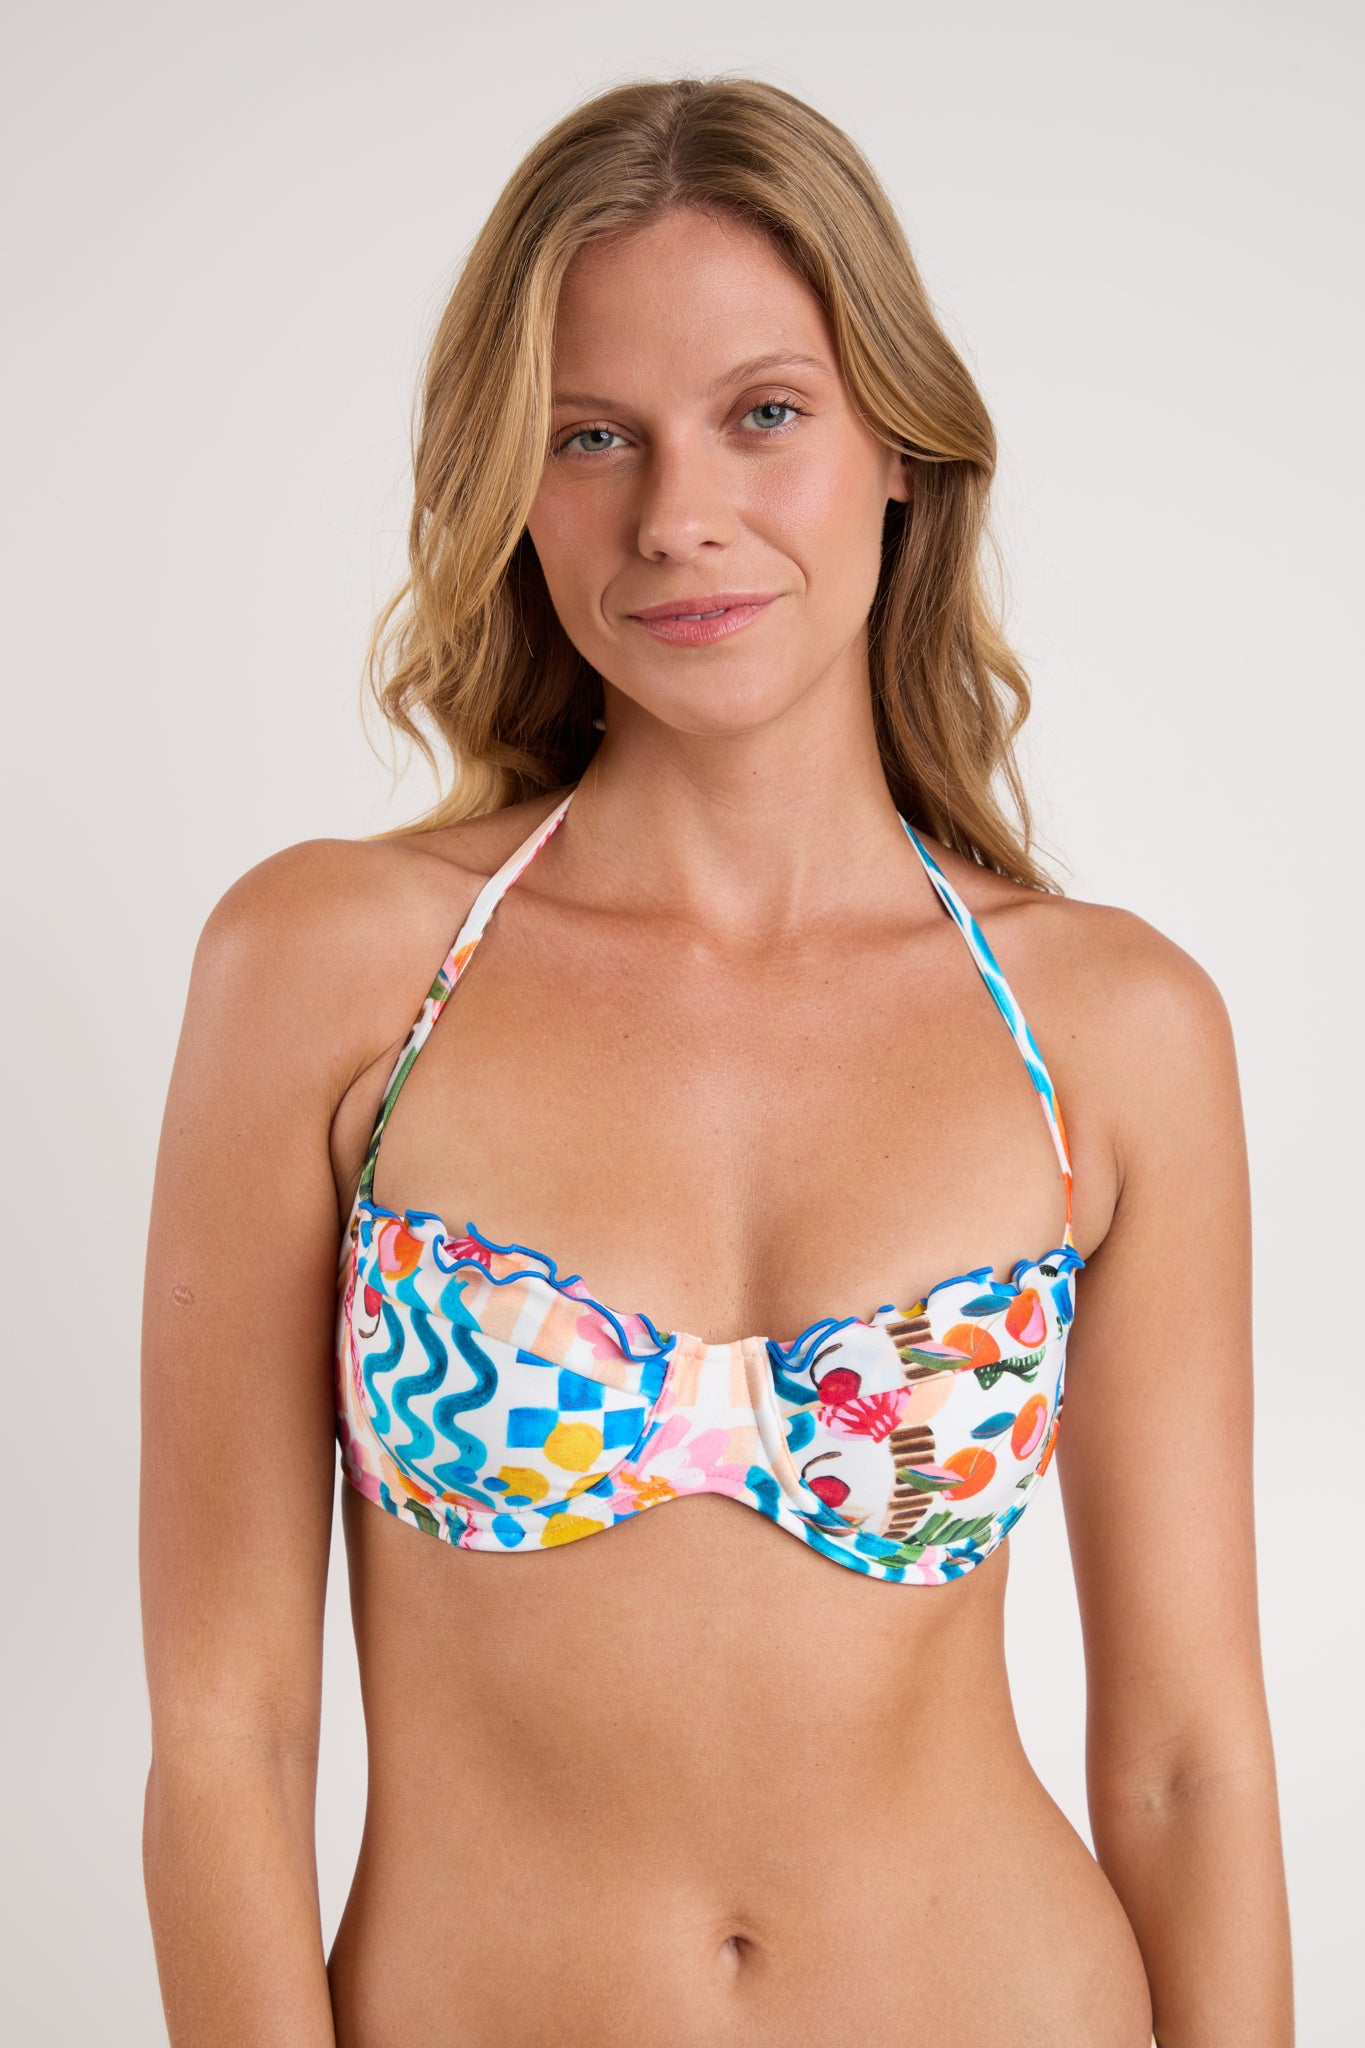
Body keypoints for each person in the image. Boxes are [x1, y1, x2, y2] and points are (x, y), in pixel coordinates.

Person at [139, 75, 1293, 2048]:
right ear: (509, 482)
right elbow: (226, 1731)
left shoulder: (1107, 1029)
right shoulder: (330, 972)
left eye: (764, 412)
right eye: (591, 434)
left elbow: (1187, 1758)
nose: (675, 514)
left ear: (896, 447)